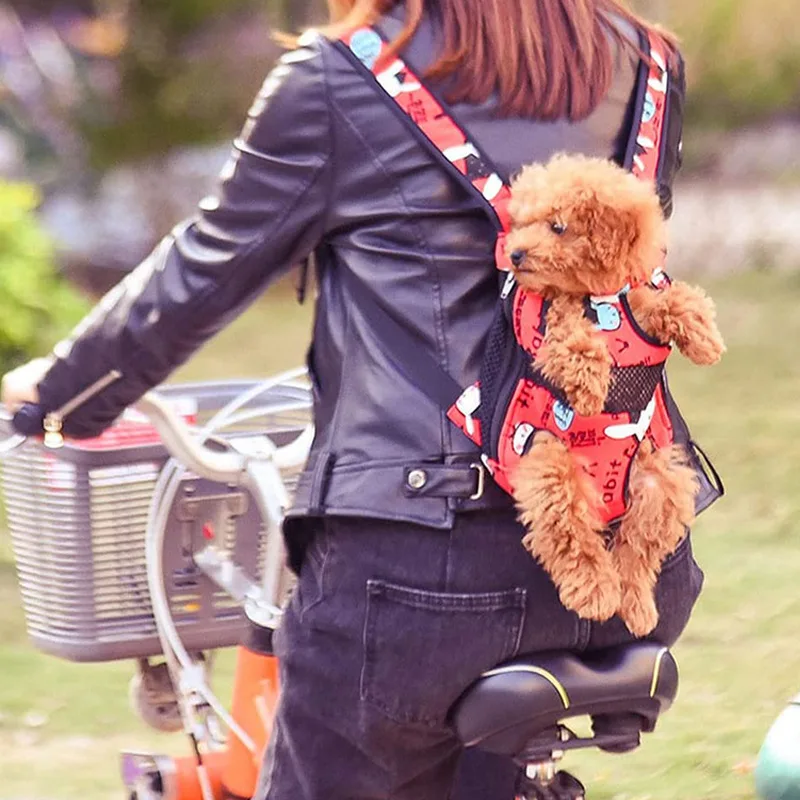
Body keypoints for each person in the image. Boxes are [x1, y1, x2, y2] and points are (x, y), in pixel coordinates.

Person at [2, 1, 707, 798]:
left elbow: (204, 270)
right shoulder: (646, 61)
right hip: (632, 557)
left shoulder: (339, 76)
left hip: (422, 573)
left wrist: (59, 391)